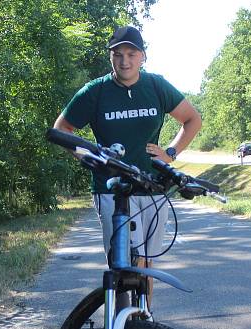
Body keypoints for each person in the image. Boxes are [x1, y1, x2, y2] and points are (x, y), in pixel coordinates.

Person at [53, 25, 202, 303]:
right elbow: (62, 131)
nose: (124, 61)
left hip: (152, 187)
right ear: (110, 57)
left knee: (146, 262)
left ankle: (144, 325)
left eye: (131, 54)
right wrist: (91, 159)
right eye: (117, 54)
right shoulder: (95, 91)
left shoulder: (156, 85)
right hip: (112, 189)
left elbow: (192, 120)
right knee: (122, 263)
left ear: (142, 56)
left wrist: (170, 152)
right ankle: (120, 327)